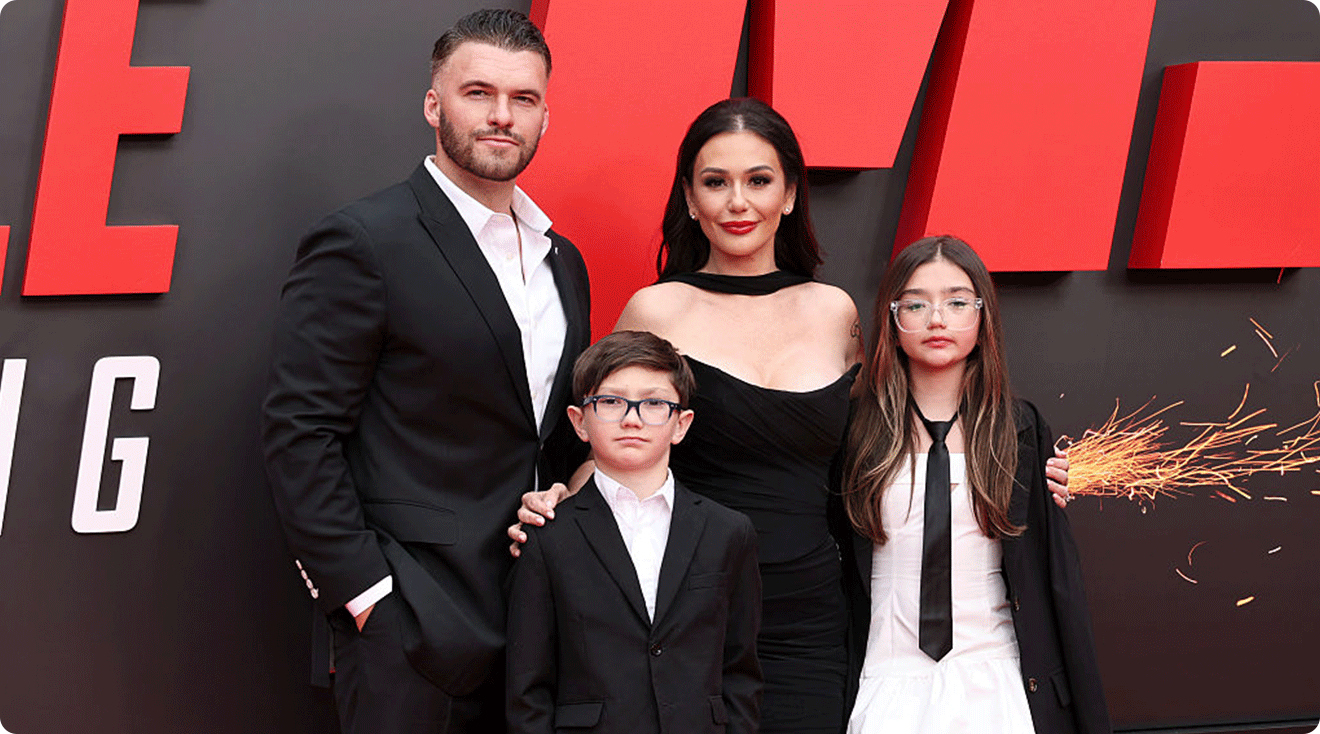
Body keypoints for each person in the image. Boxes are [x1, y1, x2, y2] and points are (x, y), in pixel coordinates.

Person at [511, 98, 1073, 733]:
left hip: (811, 613)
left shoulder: (834, 311)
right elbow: (606, 443)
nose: (737, 202)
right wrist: (558, 502)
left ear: (788, 194)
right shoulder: (657, 309)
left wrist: (1023, 466)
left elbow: (889, 439)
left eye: (758, 180)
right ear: (691, 200)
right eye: (715, 183)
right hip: (686, 608)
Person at [261, 10, 589, 734]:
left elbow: (551, 439)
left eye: (523, 99)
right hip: (411, 627)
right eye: (478, 93)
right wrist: (366, 596)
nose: (502, 116)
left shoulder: (562, 263)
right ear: (433, 105)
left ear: (544, 116)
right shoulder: (364, 241)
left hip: (540, 628)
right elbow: (299, 433)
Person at [842, 235, 1110, 733]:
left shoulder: (1019, 429)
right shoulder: (856, 429)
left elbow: (1055, 577)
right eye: (917, 303)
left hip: (996, 681)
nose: (937, 318)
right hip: (886, 679)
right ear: (892, 318)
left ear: (983, 316)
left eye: (957, 301)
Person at [506, 331, 762, 734]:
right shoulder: (547, 537)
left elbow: (740, 672)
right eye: (610, 401)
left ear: (682, 424)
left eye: (655, 403)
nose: (632, 418)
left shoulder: (728, 532)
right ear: (579, 422)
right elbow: (528, 690)